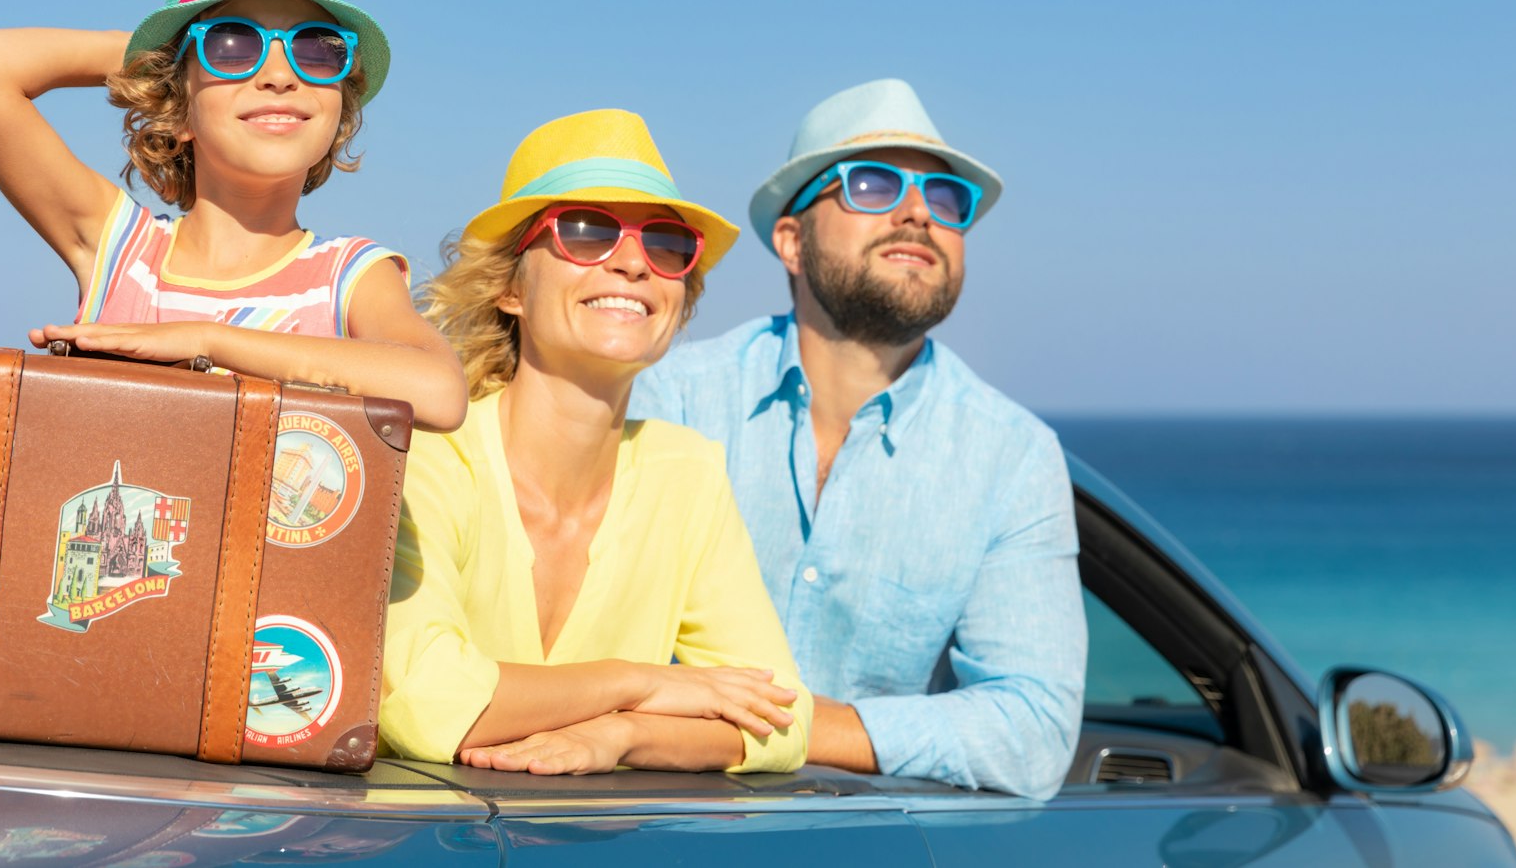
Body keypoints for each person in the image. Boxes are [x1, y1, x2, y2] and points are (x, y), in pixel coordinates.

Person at [631, 79, 1086, 797]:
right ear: (791, 239)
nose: (917, 211)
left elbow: (1034, 729)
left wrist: (789, 730)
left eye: (945, 197)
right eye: (871, 183)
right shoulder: (670, 398)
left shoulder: (1012, 457)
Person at [381, 110, 812, 775]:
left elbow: (785, 722)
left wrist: (623, 735)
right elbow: (432, 704)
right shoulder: (424, 454)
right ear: (509, 285)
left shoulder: (688, 475)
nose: (635, 263)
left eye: (667, 243)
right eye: (587, 232)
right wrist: (633, 683)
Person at [0, 0, 466, 430]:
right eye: (231, 45)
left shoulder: (351, 275)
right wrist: (160, 58)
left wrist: (206, 340)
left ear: (338, 105)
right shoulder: (121, 249)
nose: (280, 74)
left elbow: (439, 391)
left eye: (316, 49)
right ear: (177, 108)